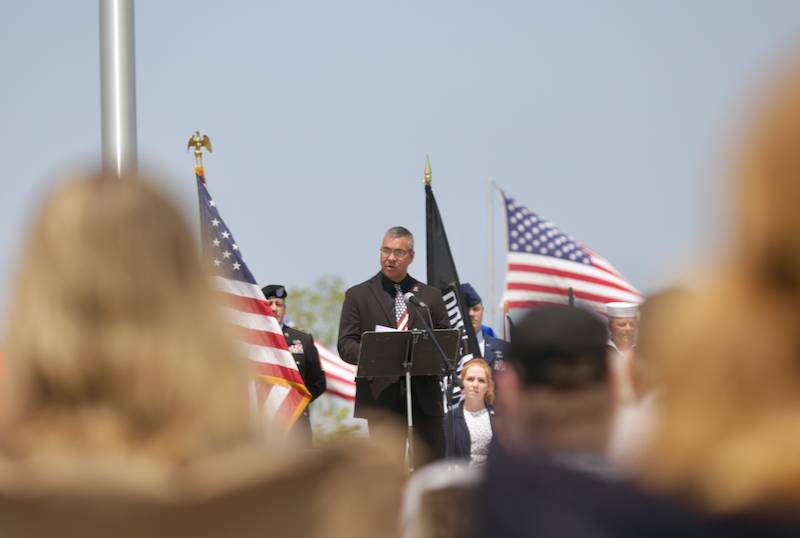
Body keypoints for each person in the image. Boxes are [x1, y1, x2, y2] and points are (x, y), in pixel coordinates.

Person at [338, 226, 451, 462]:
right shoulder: (358, 295)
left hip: (425, 400)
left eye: (398, 252)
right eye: (385, 250)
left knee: (430, 468)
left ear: (411, 257)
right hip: (382, 399)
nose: (390, 258)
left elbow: (446, 342)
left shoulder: (429, 297)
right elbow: (346, 344)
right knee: (384, 476)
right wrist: (376, 353)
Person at [262, 284, 326, 446]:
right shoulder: (252, 341)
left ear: (285, 308)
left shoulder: (303, 340)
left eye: (279, 304)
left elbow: (318, 382)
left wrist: (294, 402)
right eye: (270, 304)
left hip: (296, 425)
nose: (275, 309)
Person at [446, 358, 495, 466]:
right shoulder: (449, 419)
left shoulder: (500, 418)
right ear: (462, 382)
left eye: (481, 380)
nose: (475, 385)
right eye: (470, 379)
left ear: (488, 386)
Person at [460, 283, 510, 371]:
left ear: (482, 311)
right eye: (466, 310)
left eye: (476, 309)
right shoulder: (447, 350)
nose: (471, 314)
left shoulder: (503, 349)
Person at [605, 301, 639, 404]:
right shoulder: (601, 353)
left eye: (632, 325)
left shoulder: (643, 353)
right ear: (610, 326)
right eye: (622, 324)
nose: (628, 329)